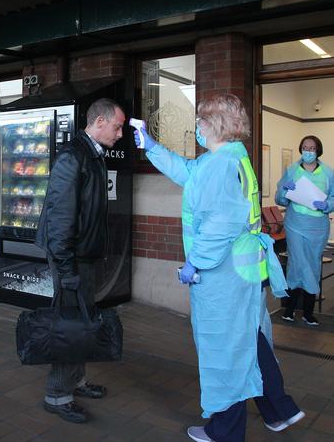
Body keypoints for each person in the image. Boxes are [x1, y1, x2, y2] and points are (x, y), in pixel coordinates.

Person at [135, 94, 304, 441]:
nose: (196, 127)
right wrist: (152, 147)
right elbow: (189, 172)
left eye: (200, 121)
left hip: (223, 273)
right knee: (248, 339)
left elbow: (218, 224)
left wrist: (194, 262)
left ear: (214, 123)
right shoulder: (229, 158)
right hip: (243, 269)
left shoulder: (221, 164)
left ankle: (225, 431)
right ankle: (278, 410)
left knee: (224, 349)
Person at [35, 98, 125, 424]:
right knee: (70, 325)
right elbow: (60, 219)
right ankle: (57, 395)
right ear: (99, 122)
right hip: (70, 257)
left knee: (82, 320)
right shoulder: (73, 157)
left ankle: (78, 381)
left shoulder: (92, 155)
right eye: (117, 127)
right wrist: (67, 268)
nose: (120, 134)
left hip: (83, 255)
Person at [276, 135, 333, 326]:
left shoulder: (328, 172)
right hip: (295, 225)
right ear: (301, 149)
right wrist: (285, 190)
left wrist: (327, 205)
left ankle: (308, 312)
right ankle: (290, 310)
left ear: (318, 150)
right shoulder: (292, 170)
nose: (308, 151)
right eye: (305, 147)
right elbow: (280, 198)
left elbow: (333, 197)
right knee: (297, 262)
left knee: (313, 264)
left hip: (318, 227)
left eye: (312, 148)